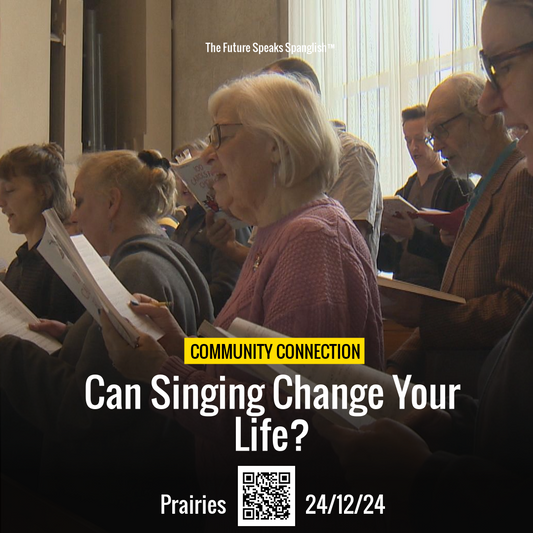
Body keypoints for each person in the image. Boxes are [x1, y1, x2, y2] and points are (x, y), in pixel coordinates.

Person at [101, 73, 384, 528]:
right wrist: (184, 347)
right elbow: (263, 359)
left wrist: (158, 375)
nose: (206, 156)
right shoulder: (282, 234)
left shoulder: (310, 242)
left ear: (276, 144)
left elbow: (288, 429)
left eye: (221, 136)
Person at [316, 2, 533, 530]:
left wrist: (429, 472)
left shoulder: (521, 180)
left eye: (501, 66)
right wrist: (399, 373)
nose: (492, 97)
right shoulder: (492, 186)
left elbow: (511, 307)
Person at [0, 149, 214, 530]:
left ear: (113, 202)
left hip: (117, 495)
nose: (75, 214)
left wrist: (7, 349)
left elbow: (87, 407)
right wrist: (71, 334)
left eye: (81, 201)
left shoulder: (136, 270)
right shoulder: (164, 255)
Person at [385, 72, 533, 396]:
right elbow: (455, 295)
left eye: (442, 130)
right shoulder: (489, 186)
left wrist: (426, 316)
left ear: (485, 118)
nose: (436, 145)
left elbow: (519, 308)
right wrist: (398, 365)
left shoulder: (521, 180)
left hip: (485, 403)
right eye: (432, 134)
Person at [207, 57, 384, 267]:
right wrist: (231, 245)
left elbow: (336, 257)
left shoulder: (353, 154)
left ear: (304, 97)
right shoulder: (276, 179)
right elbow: (267, 260)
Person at [378, 105, 474, 289]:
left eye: (420, 139)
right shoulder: (403, 194)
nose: (414, 148)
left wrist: (413, 235)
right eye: (408, 141)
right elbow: (388, 261)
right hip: (403, 290)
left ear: (434, 138)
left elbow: (463, 255)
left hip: (440, 292)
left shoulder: (459, 187)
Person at [0, 143, 85, 323]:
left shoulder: (64, 264)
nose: (1, 202)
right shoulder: (18, 265)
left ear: (43, 191)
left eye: (9, 191)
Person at [171, 140, 251, 315]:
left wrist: (177, 306)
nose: (185, 184)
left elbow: (226, 289)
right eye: (180, 175)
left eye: (193, 173)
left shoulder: (225, 220)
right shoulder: (187, 221)